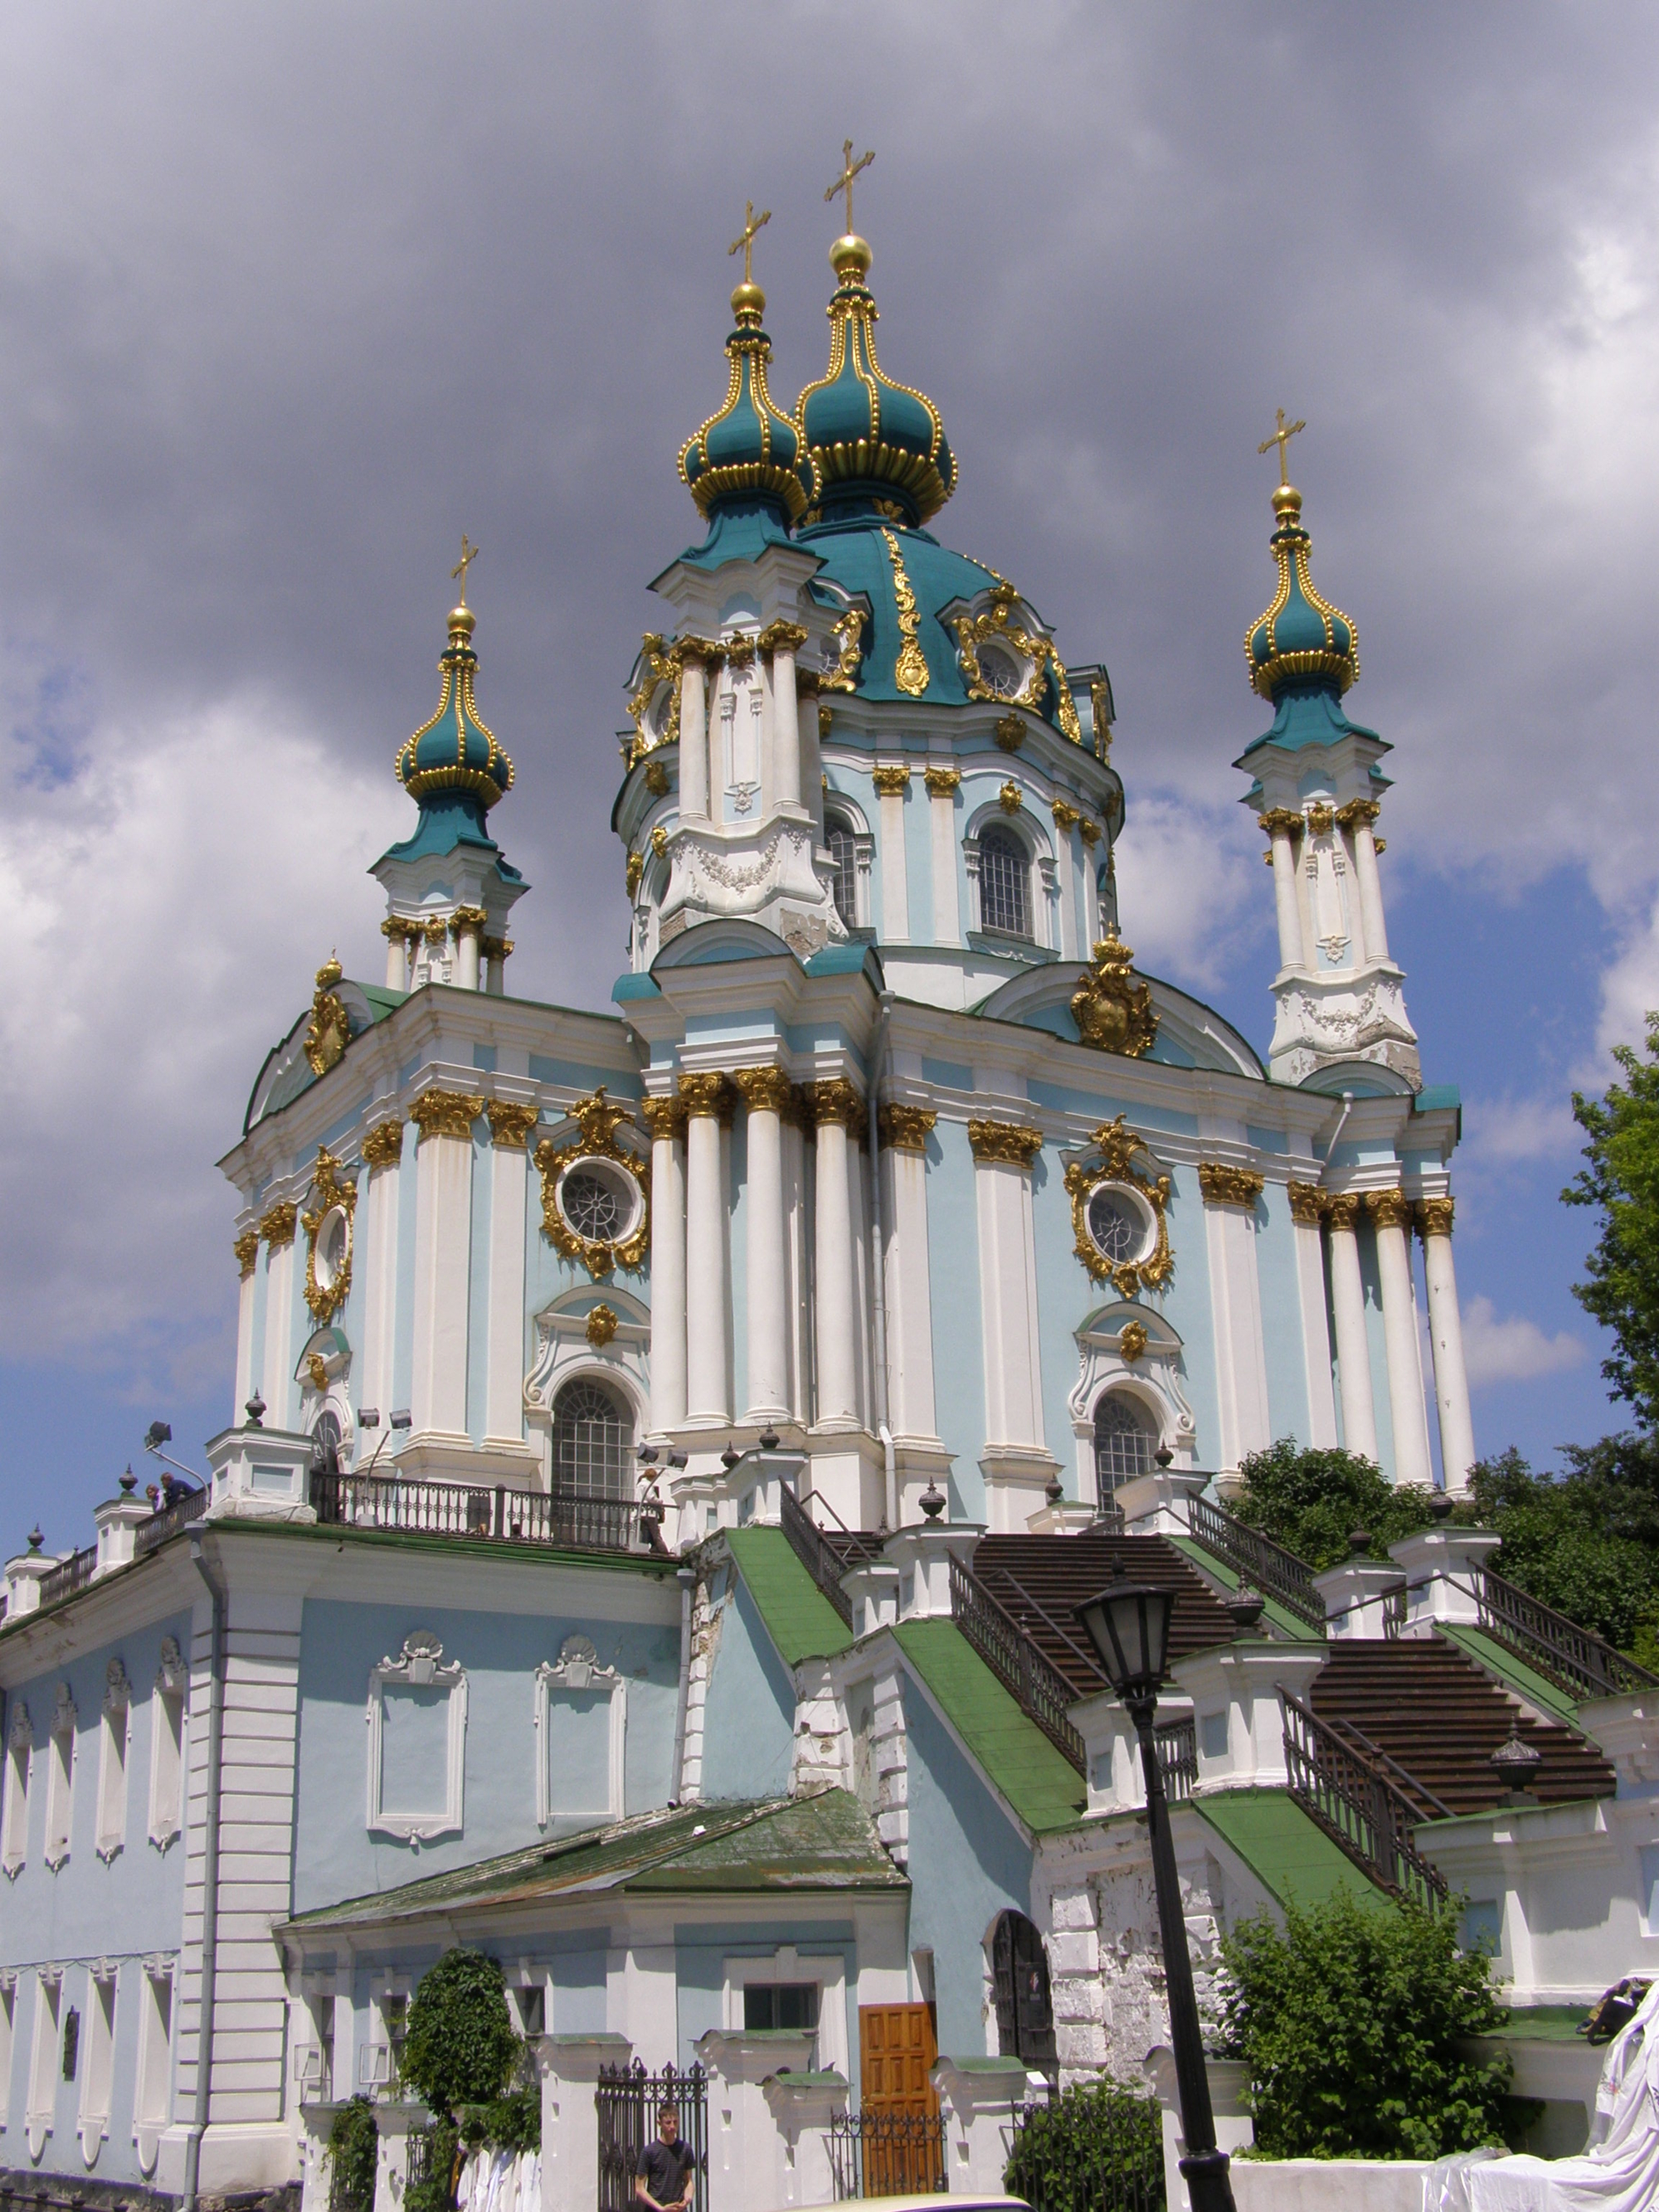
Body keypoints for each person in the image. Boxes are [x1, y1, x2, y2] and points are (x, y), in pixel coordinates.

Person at [635, 2103, 695, 2212]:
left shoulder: (685, 2149)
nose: (672, 2126)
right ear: (660, 2123)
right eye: (668, 2123)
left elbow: (689, 2181)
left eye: (675, 2122)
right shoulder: (649, 2152)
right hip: (655, 2209)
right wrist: (661, 2208)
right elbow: (639, 2188)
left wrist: (687, 2198)